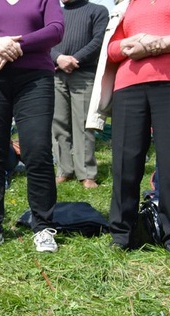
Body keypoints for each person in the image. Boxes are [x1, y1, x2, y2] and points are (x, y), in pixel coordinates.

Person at [0, 0, 64, 251]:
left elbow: (56, 29)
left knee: (37, 149)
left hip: (34, 80)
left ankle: (43, 227)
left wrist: (14, 45)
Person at [86, 0, 169, 250]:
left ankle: (167, 233)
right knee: (125, 160)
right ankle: (122, 233)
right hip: (128, 87)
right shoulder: (127, 5)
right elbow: (110, 50)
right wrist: (125, 45)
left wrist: (161, 43)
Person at [51, 0, 108, 189]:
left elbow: (98, 41)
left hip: (84, 74)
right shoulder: (54, 12)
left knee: (84, 123)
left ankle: (86, 173)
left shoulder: (98, 11)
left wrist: (74, 59)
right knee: (58, 124)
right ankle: (64, 170)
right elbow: (46, 41)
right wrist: (58, 58)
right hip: (56, 73)